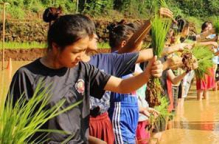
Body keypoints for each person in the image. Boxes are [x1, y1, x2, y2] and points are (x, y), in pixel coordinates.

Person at [6, 14, 163, 143]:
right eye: (76, 51)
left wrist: (146, 74)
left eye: (84, 51)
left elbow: (122, 86)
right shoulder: (27, 76)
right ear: (55, 47)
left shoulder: (82, 69)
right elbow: (13, 126)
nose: (81, 57)